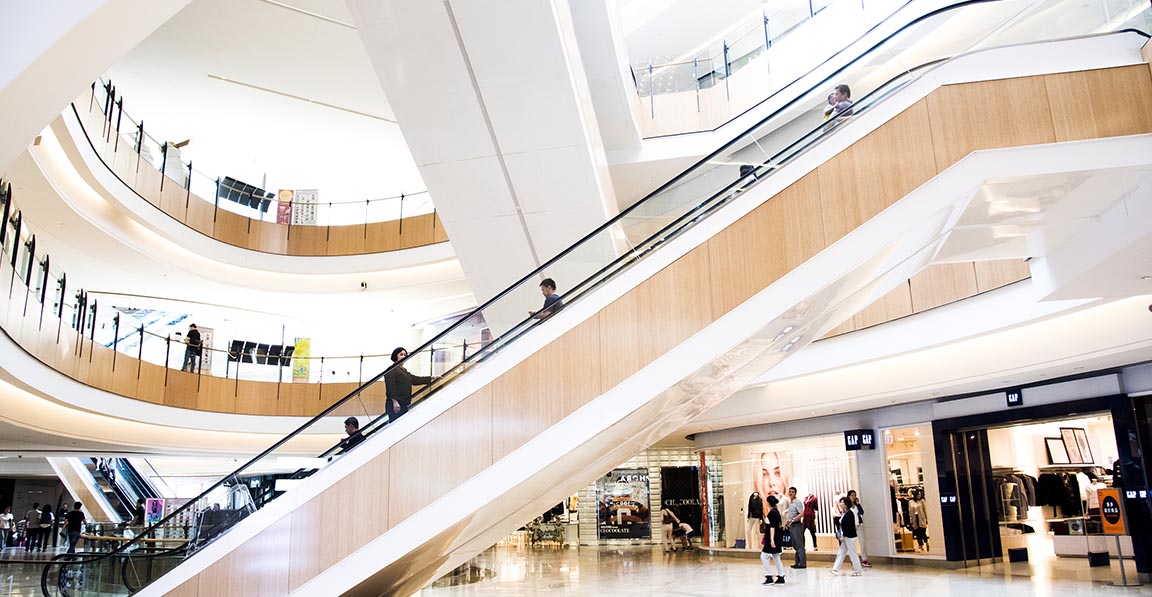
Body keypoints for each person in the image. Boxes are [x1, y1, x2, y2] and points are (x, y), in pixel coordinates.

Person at [384, 347, 435, 423]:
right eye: (401, 354)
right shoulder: (391, 369)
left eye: (405, 355)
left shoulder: (404, 370)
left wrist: (431, 378)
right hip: (396, 404)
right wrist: (395, 402)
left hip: (404, 403)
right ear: (395, 356)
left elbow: (414, 379)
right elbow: (390, 387)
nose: (403, 356)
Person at [831, 496, 863, 576]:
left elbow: (848, 526)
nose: (841, 503)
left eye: (842, 502)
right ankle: (835, 569)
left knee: (852, 553)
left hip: (849, 536)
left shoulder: (849, 513)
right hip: (846, 536)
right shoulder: (844, 513)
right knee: (841, 552)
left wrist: (843, 535)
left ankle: (858, 571)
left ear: (846, 504)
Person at [761, 494, 785, 585]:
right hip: (776, 538)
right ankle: (781, 576)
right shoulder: (776, 512)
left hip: (772, 539)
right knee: (776, 556)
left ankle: (769, 577)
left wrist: (771, 540)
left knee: (764, 556)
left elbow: (772, 527)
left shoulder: (772, 513)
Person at [846, 489, 870, 567]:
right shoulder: (847, 506)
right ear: (849, 496)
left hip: (859, 525)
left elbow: (862, 512)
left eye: (855, 495)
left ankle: (864, 559)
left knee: (862, 542)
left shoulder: (856, 505)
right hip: (851, 527)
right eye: (852, 495)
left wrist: (858, 504)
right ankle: (853, 560)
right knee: (852, 544)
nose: (854, 497)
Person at [786, 486, 806, 568]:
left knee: (799, 544)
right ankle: (797, 562)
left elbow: (801, 513)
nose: (791, 493)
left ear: (795, 493)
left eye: (792, 492)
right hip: (792, 525)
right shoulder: (791, 503)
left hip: (797, 525)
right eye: (790, 491)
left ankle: (802, 563)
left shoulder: (797, 502)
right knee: (795, 545)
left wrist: (793, 520)